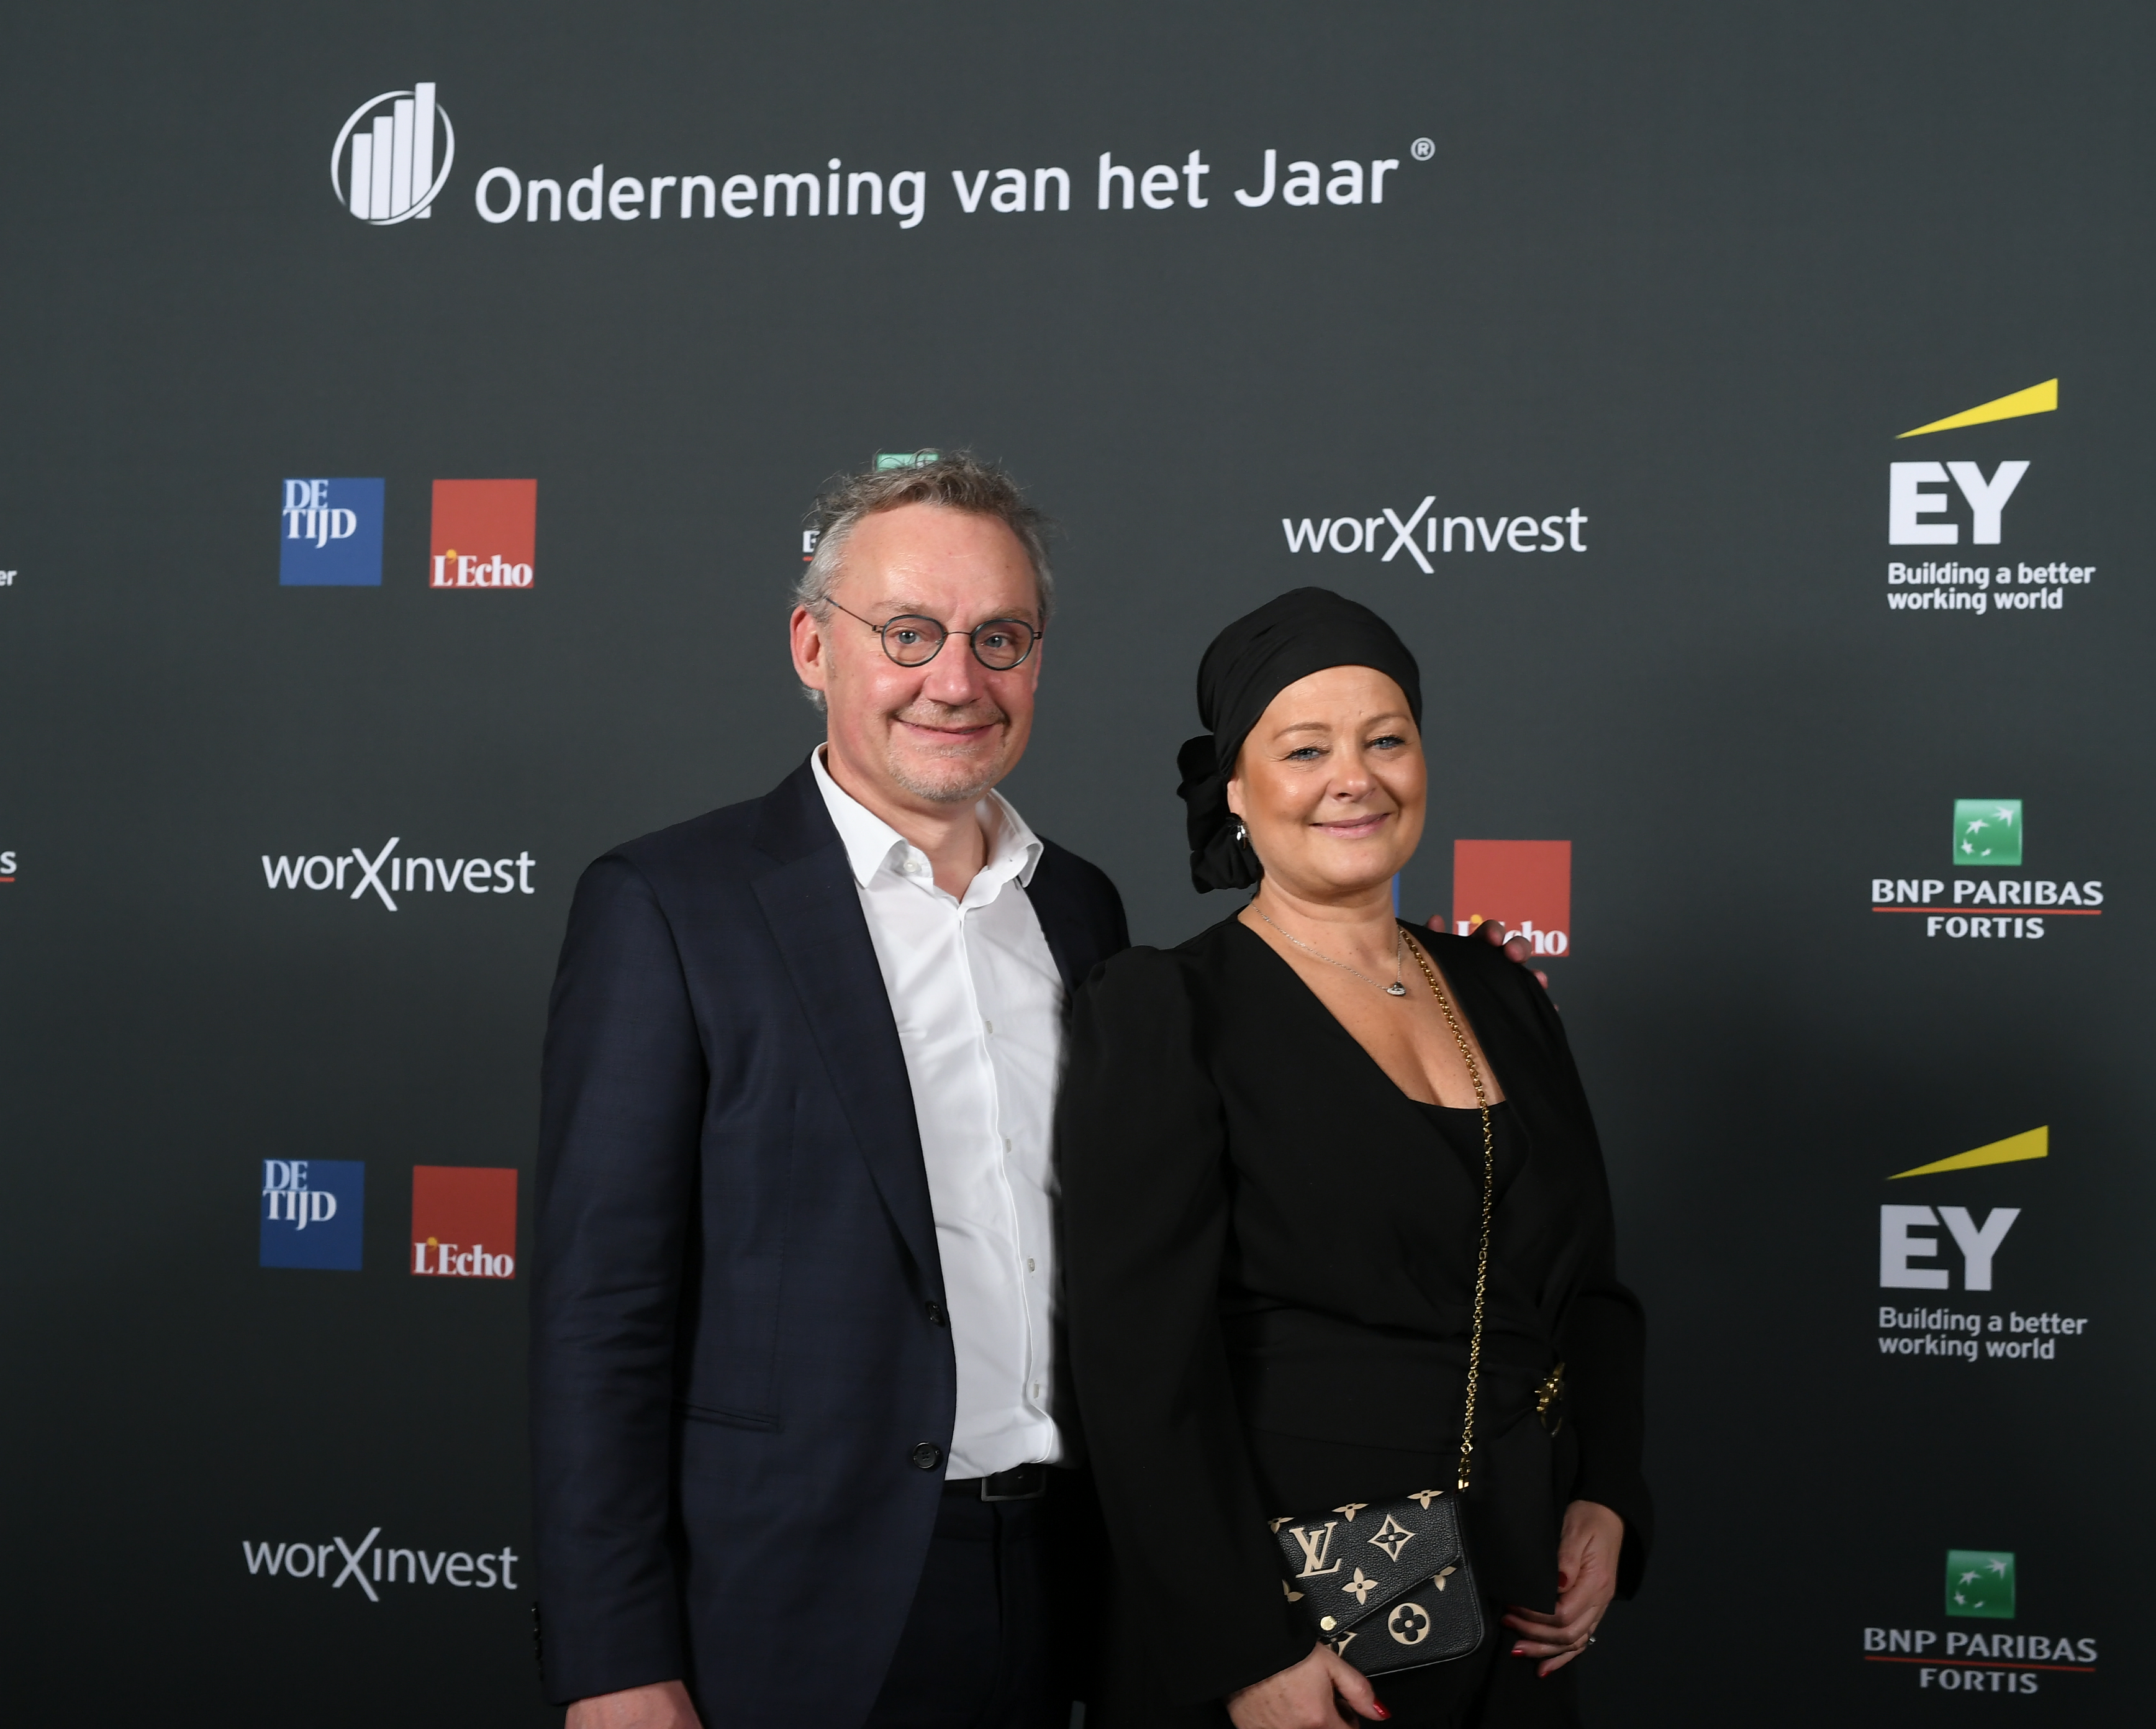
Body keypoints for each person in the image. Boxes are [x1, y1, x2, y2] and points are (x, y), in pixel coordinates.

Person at [528, 455, 1128, 1728]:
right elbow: (601, 1312)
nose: (955, 681)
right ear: (814, 647)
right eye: (908, 633)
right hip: (791, 1606)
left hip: (1063, 1585)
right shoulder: (668, 906)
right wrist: (612, 1656)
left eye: (999, 638)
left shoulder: (1079, 909)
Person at [1058, 588, 1651, 1728]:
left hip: (1516, 1581)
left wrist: (1608, 1493)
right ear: (1235, 787)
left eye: (1386, 740)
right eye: (1305, 749)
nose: (1356, 779)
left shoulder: (1499, 990)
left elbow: (1591, 1288)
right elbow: (1139, 1369)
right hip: (1293, 1608)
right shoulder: (1166, 1009)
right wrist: (1245, 1647)